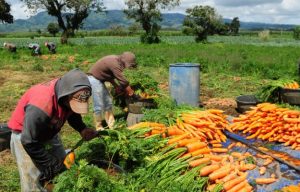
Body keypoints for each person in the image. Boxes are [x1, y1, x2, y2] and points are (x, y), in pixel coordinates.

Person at [8, 68, 98, 192]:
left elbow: (72, 112)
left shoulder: (68, 92)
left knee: (63, 166)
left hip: (49, 130)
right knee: (34, 179)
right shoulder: (41, 105)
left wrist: (82, 128)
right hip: (26, 137)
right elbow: (28, 140)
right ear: (65, 95)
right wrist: (50, 163)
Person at [87, 51, 139, 130]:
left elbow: (109, 75)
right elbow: (123, 81)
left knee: (107, 101)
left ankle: (112, 124)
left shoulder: (117, 60)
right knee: (99, 102)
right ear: (124, 61)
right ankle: (99, 126)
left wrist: (116, 86)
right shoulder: (115, 64)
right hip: (94, 79)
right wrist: (131, 93)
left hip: (100, 78)